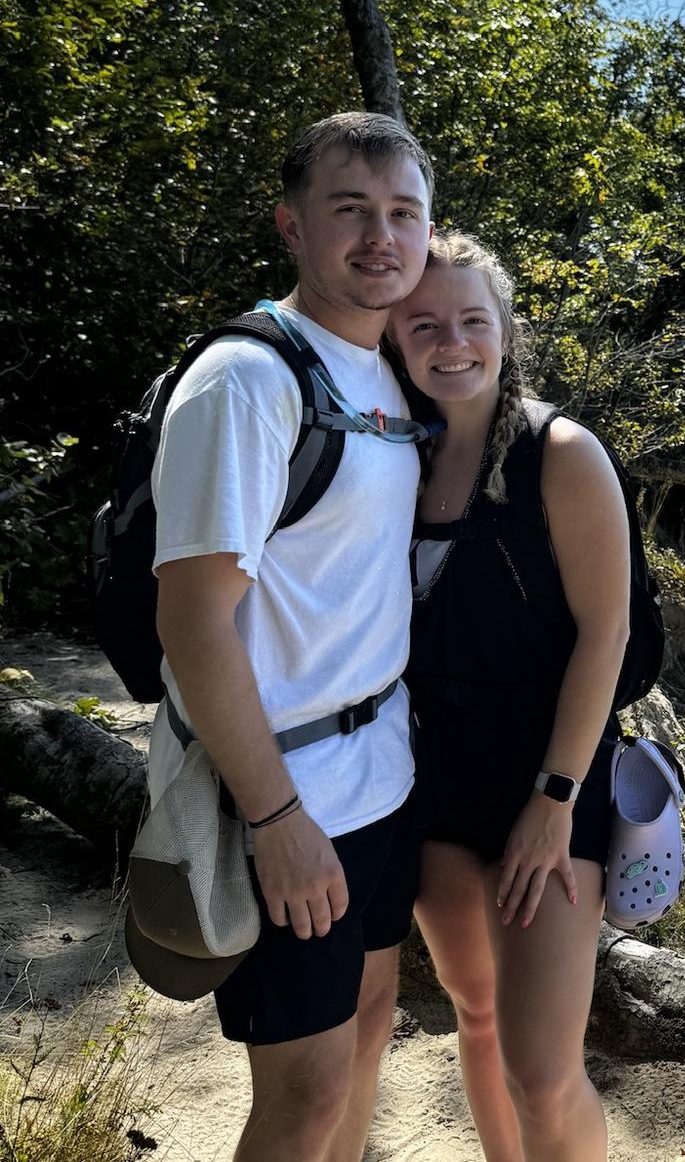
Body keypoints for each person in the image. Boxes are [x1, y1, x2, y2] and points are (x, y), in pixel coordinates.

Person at [148, 111, 434, 1161]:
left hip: (381, 779)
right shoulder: (249, 382)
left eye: (402, 213)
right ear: (292, 227)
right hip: (284, 791)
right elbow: (192, 621)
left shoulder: (384, 371)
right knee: (304, 1093)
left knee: (367, 1031)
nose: (379, 237)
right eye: (349, 210)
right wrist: (275, 816)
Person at [388, 232, 629, 1162]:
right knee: (476, 1018)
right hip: (436, 783)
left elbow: (605, 633)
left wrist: (554, 799)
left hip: (551, 785)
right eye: (426, 323)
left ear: (505, 329)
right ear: (396, 338)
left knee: (541, 1067)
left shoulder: (559, 453)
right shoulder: (390, 454)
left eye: (473, 320)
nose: (452, 341)